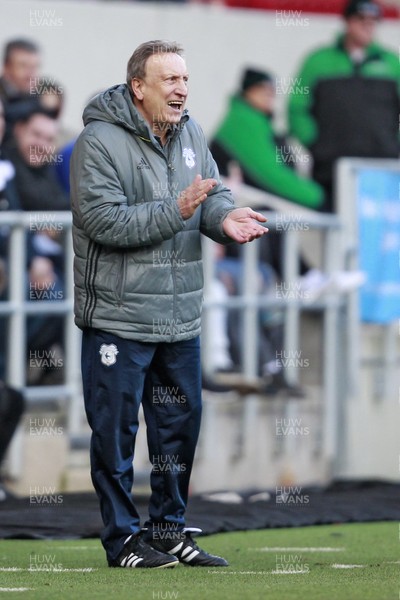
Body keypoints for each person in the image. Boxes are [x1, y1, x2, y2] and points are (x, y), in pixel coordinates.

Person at [70, 40, 267, 569]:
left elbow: (210, 195)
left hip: (180, 318)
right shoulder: (99, 142)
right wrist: (177, 209)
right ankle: (122, 541)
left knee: (178, 430)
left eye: (184, 79)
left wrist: (222, 218)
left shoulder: (192, 132)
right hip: (118, 317)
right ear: (139, 87)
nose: (182, 89)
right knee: (115, 434)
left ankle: (168, 531)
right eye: (171, 80)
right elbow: (104, 223)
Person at [288, 0, 400, 212]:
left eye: (373, 21)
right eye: (361, 19)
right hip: (331, 171)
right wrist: (318, 145)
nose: (368, 25)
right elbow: (297, 107)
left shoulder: (392, 63)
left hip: (382, 171)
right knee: (335, 236)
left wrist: (394, 146)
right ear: (347, 22)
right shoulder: (317, 61)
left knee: (375, 234)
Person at [210, 67, 324, 209]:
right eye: (263, 88)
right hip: (242, 211)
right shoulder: (243, 122)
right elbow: (273, 177)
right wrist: (317, 197)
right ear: (248, 91)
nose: (270, 93)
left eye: (273, 89)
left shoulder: (259, 123)